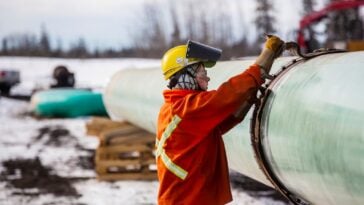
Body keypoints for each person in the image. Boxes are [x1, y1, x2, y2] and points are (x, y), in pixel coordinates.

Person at [156, 36, 284, 205]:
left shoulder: (177, 108)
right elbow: (227, 94)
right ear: (184, 76)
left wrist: (247, 100)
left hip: (191, 198)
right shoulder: (186, 109)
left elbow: (220, 125)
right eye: (202, 73)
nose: (207, 79)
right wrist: (268, 53)